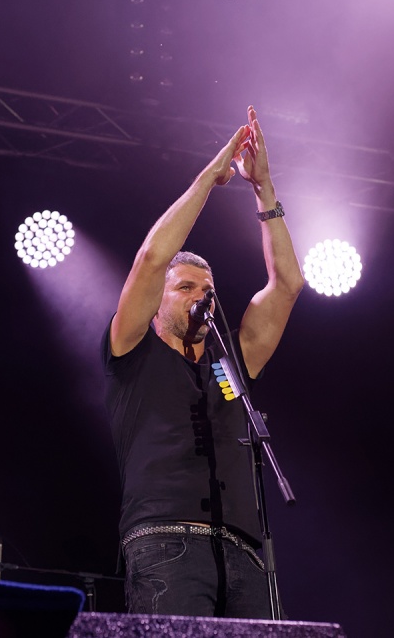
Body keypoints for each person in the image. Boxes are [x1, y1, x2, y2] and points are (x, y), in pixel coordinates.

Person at [101, 106, 304, 618]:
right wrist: (210, 179)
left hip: (243, 551)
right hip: (164, 542)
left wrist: (264, 190)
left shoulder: (230, 358)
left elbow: (287, 285)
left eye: (207, 289)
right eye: (186, 287)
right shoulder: (132, 347)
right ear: (158, 300)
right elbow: (152, 259)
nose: (200, 296)